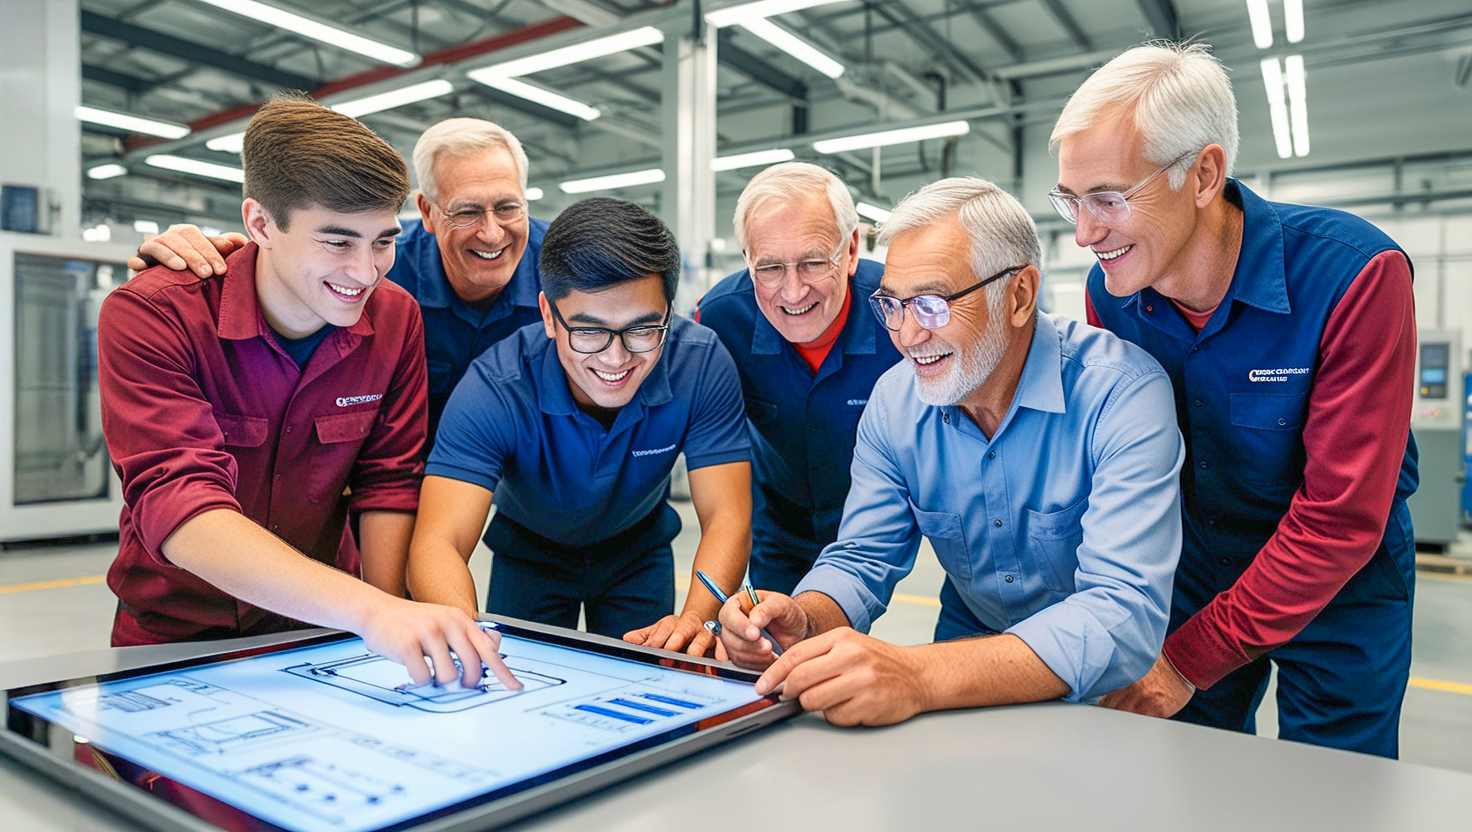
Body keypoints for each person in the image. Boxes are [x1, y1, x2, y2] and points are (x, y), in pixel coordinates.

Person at [1049, 42, 1417, 757]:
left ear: (1203, 174)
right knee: (1182, 772)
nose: (1084, 233)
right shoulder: (1113, 294)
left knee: (1334, 789)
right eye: (1070, 199)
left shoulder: (1355, 277)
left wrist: (1189, 660)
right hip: (1195, 563)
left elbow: (1341, 517)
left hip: (1342, 584)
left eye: (1109, 199)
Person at [717, 177, 1185, 725]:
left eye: (933, 305)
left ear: (1019, 296)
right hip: (973, 630)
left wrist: (921, 675)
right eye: (893, 306)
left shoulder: (1121, 393)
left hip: (1111, 680)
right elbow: (864, 556)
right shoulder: (895, 404)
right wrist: (806, 617)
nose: (908, 335)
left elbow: (1120, 614)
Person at [99, 96, 517, 691]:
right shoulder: (154, 313)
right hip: (171, 635)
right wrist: (374, 611)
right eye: (338, 241)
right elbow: (180, 503)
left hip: (320, 630)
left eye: (382, 241)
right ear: (261, 224)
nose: (367, 271)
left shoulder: (396, 317)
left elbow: (388, 484)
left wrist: (389, 607)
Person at [407, 197, 752, 657]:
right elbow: (437, 540)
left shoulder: (701, 363)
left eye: (644, 329)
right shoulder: (496, 385)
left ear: (669, 312)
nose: (616, 358)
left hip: (638, 547)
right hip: (529, 550)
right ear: (549, 315)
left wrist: (698, 619)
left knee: (651, 681)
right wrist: (464, 632)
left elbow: (727, 515)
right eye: (588, 331)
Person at [128, 117, 545, 437]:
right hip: (376, 470)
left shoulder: (564, 269)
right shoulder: (380, 271)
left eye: (508, 207)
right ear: (427, 211)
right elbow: (287, 260)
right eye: (466, 211)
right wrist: (187, 260)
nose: (491, 232)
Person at [696, 162, 902, 594]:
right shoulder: (719, 320)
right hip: (778, 527)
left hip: (882, 522)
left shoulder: (901, 310)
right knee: (776, 648)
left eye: (812, 262)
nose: (792, 292)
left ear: (850, 252)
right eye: (769, 268)